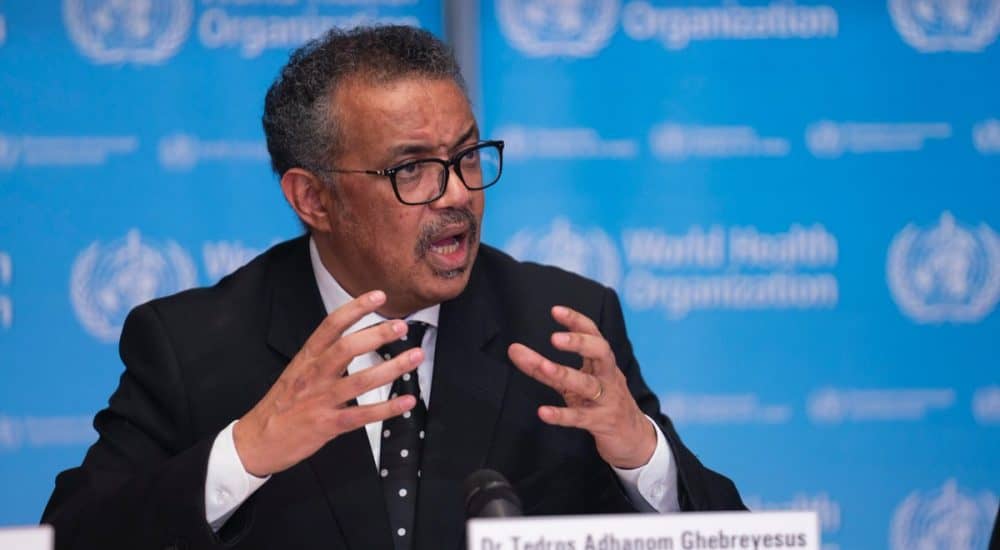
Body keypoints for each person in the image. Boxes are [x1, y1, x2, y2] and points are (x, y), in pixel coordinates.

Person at [42, 25, 744, 550]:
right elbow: (71, 535)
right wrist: (247, 450)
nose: (458, 194)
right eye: (412, 169)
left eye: (468, 156)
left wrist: (640, 454)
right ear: (313, 199)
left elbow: (732, 530)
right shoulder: (192, 345)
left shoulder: (560, 326)